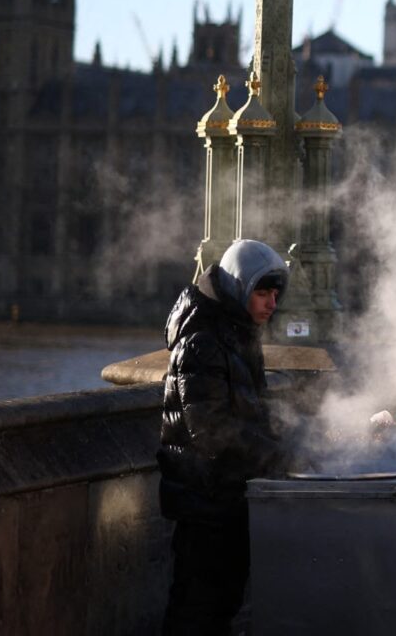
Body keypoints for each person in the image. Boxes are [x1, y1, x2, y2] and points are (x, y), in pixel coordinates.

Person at [158, 239, 287, 636]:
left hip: (226, 499)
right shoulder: (202, 341)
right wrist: (282, 455)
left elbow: (254, 412)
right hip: (206, 503)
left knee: (219, 610)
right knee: (197, 614)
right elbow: (211, 430)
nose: (272, 304)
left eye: (276, 294)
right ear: (239, 287)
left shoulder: (237, 333)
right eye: (262, 293)